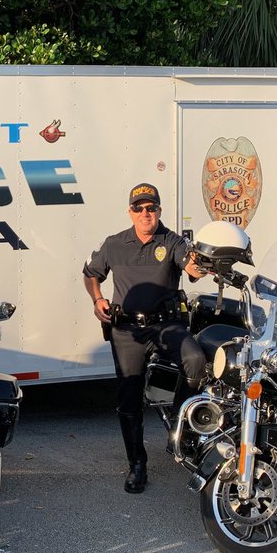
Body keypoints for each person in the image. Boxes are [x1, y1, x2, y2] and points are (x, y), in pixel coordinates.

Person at [83, 182, 206, 494]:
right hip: (127, 330)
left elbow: (190, 265)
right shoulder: (114, 243)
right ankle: (137, 463)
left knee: (196, 360)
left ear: (159, 211)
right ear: (130, 212)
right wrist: (97, 299)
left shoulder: (173, 241)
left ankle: (181, 425)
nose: (145, 213)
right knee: (129, 399)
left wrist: (199, 266)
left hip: (167, 326)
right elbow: (90, 273)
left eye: (151, 207)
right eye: (139, 208)